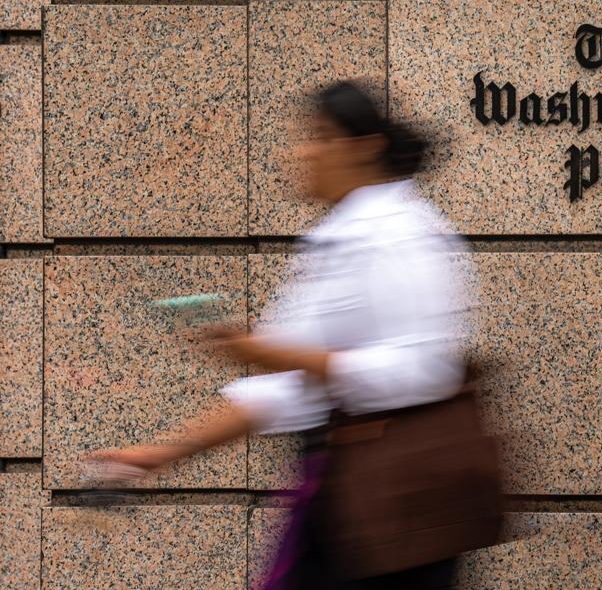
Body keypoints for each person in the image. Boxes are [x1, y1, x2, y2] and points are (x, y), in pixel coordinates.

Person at [89, 80, 478, 589]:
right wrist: (159, 454)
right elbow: (283, 392)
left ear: (365, 148)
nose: (301, 152)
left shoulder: (399, 234)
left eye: (319, 136)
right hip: (349, 501)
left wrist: (286, 354)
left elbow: (427, 370)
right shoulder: (342, 236)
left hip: (392, 502)